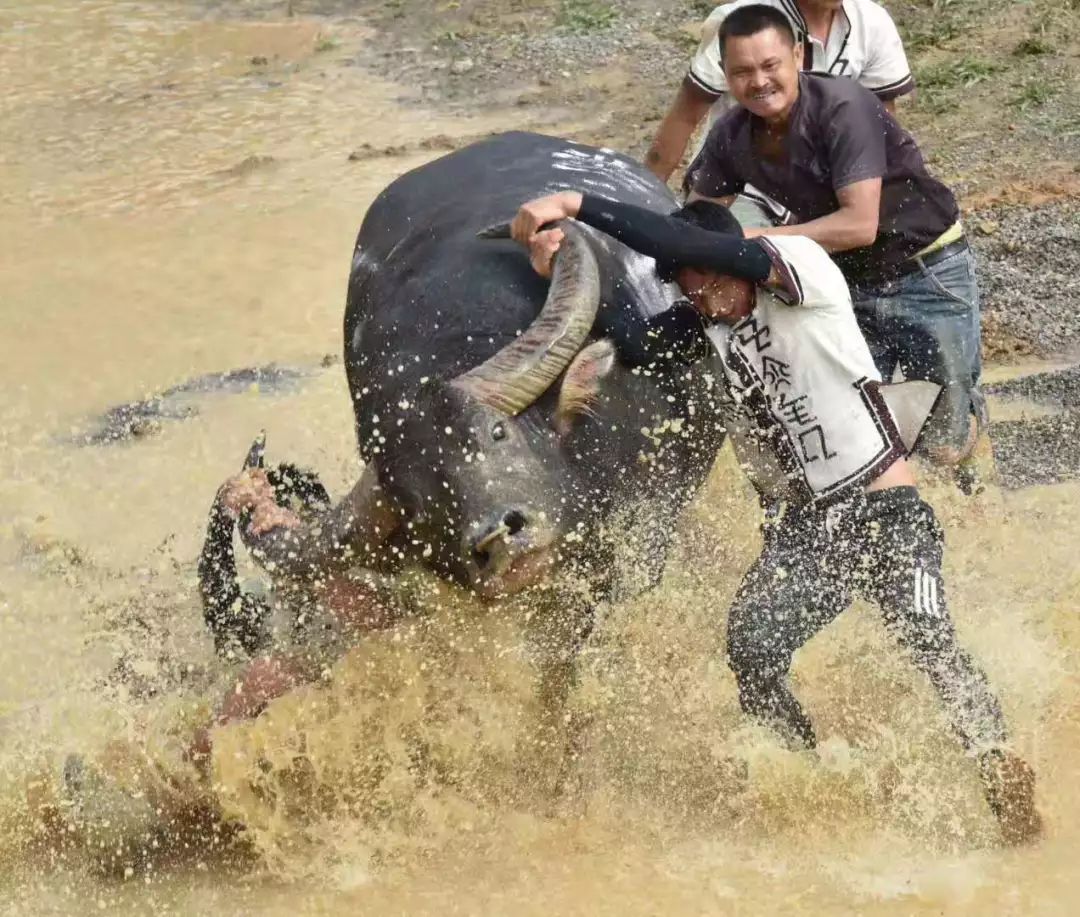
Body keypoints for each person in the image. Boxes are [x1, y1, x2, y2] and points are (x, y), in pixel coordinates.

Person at [508, 188, 1042, 845]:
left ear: (735, 260)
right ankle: (804, 779)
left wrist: (577, 203)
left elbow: (686, 246)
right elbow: (630, 339)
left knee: (928, 639)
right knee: (752, 646)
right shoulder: (709, 321)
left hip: (883, 507)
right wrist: (558, 266)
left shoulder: (800, 269)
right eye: (687, 292)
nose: (700, 301)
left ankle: (996, 765)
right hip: (804, 531)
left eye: (702, 283)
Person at [685, 4, 985, 491]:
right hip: (844, 282)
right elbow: (695, 221)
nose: (759, 82)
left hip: (925, 269)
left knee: (947, 435)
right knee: (857, 428)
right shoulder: (731, 135)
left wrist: (745, 242)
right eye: (742, 72)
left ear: (798, 57)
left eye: (770, 66)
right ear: (725, 75)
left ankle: (980, 505)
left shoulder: (842, 106)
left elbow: (858, 224)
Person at [646, 0, 915, 189]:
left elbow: (880, 124)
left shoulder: (871, 22)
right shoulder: (742, 22)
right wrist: (643, 196)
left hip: (827, 182)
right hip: (736, 183)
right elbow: (684, 118)